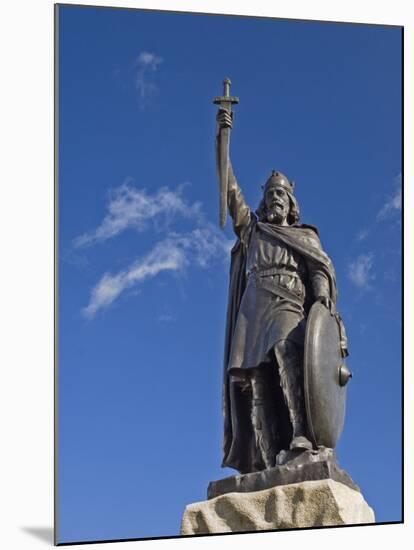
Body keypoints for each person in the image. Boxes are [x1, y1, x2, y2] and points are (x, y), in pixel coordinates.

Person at [217, 109, 339, 474]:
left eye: (280, 195)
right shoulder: (252, 231)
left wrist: (320, 301)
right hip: (253, 307)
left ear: (290, 202)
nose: (275, 199)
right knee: (255, 382)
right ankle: (269, 462)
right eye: (270, 195)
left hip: (288, 300)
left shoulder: (304, 236)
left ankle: (302, 434)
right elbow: (229, 188)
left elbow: (318, 267)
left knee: (287, 354)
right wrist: (222, 138)